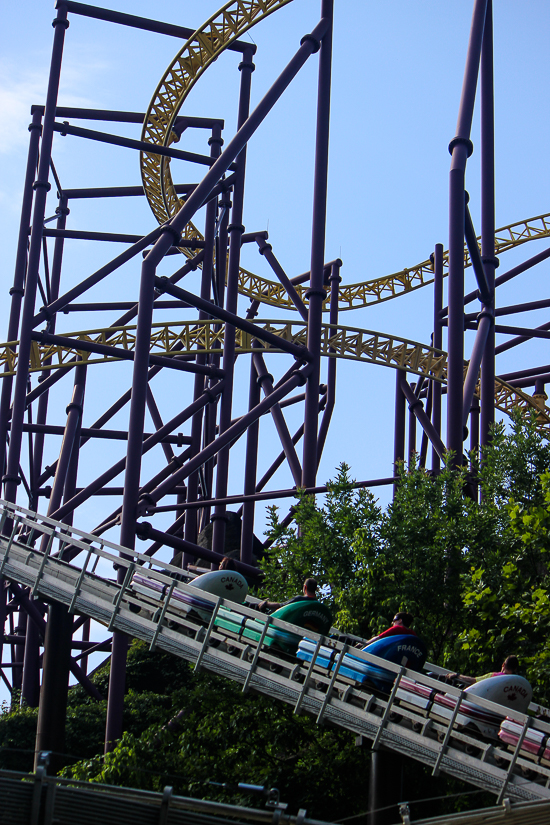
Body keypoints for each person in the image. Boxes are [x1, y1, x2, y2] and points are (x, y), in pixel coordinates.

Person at [446, 655, 519, 687]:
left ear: (503, 665)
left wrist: (457, 675)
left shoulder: (494, 677)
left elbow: (473, 680)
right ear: (515, 669)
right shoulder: (516, 683)